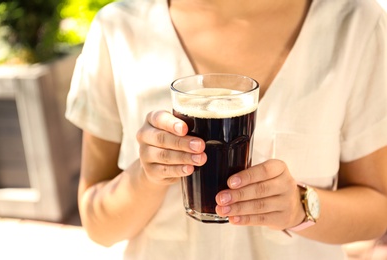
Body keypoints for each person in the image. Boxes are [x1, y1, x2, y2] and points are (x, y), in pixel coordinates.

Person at [65, 0, 387, 259]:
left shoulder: (355, 23)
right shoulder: (118, 28)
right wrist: (146, 176)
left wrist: (299, 207)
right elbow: (97, 224)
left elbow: (378, 208)